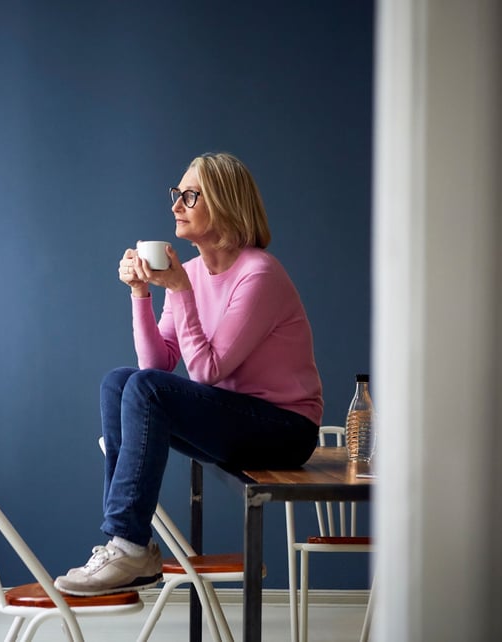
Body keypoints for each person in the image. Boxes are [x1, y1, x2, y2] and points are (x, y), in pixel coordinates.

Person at [54, 152, 323, 596]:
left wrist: (180, 290)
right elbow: (156, 365)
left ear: (225, 204)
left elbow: (206, 372)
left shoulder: (259, 274)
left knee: (143, 389)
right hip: (234, 417)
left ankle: (128, 544)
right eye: (176, 194)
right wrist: (141, 293)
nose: (176, 205)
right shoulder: (192, 272)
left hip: (285, 430)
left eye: (190, 196)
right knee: (118, 383)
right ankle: (128, 543)